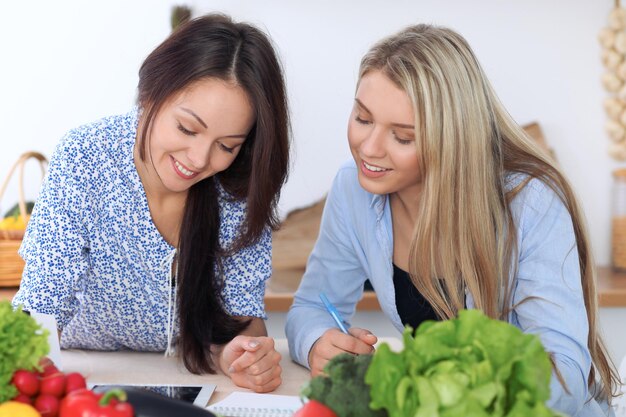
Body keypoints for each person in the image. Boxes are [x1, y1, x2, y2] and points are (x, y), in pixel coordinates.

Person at [286, 23, 619, 415]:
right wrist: (318, 341)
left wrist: (451, 393)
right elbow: (312, 306)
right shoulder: (353, 190)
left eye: (403, 137)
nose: (369, 148)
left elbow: (564, 376)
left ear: (452, 139)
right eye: (362, 118)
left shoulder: (532, 202)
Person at [13, 14, 290, 393]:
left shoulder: (240, 184)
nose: (197, 158)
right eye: (187, 128)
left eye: (227, 145)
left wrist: (241, 355)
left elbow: (242, 319)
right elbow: (42, 302)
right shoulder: (85, 156)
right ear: (149, 94)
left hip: (188, 376)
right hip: (85, 368)